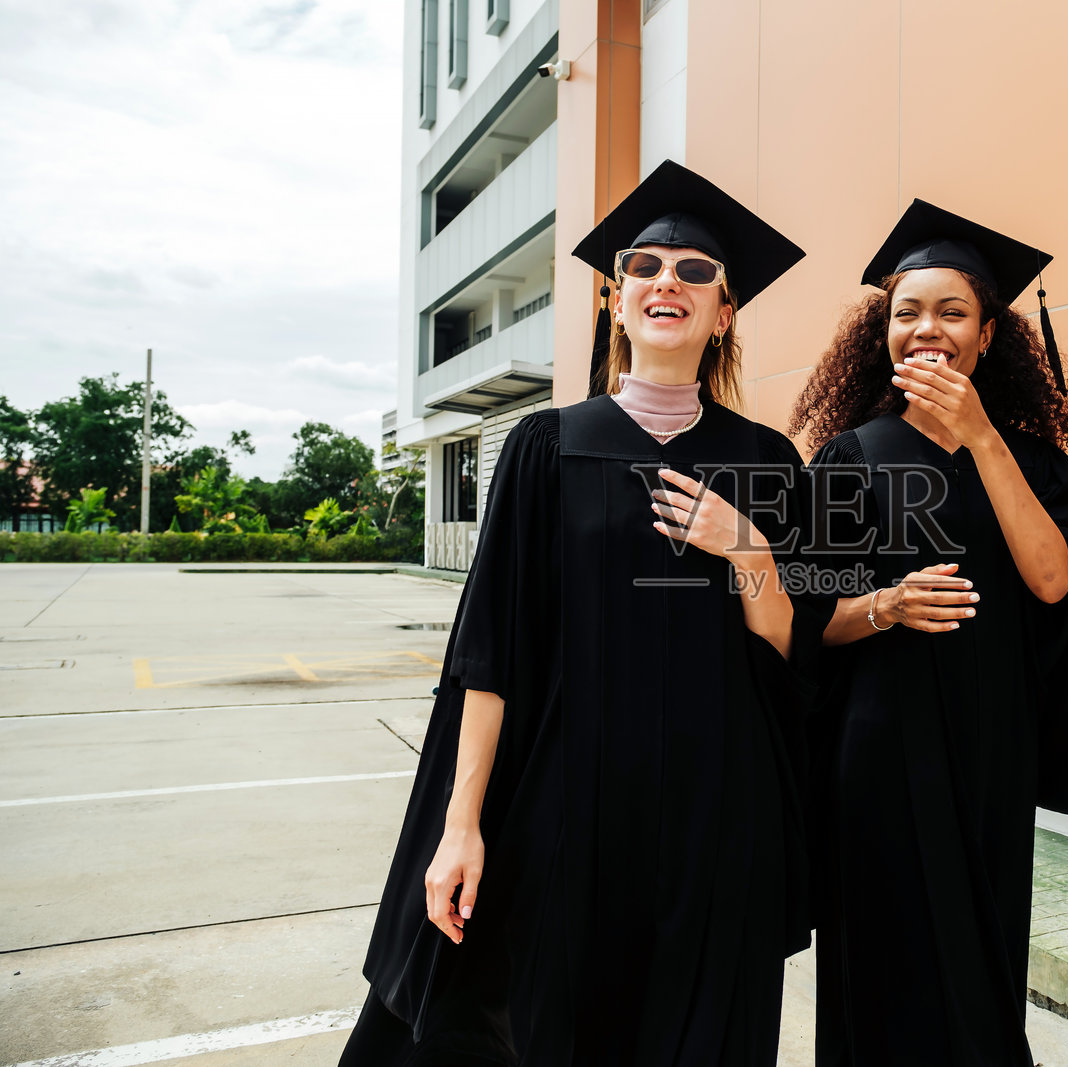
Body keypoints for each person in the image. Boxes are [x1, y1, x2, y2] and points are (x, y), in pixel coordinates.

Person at [341, 160, 823, 1067]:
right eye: (642, 267)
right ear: (614, 299)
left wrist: (749, 549)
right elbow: (491, 652)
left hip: (720, 817)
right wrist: (462, 824)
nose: (665, 281)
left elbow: (790, 655)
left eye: (694, 271)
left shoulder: (767, 461)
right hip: (570, 809)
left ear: (726, 310)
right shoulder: (546, 446)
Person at [789, 200, 1068, 1067]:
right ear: (883, 333)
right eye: (906, 312)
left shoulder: (1031, 458)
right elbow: (806, 617)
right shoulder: (850, 457)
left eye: (951, 312)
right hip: (879, 748)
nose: (925, 328)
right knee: (881, 961)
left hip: (990, 749)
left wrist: (979, 435)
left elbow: (1053, 580)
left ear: (986, 337)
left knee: (984, 955)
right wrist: (885, 606)